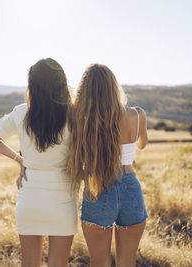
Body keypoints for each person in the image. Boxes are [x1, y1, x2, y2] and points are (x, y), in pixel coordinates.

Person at [0, 58, 77, 267]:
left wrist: (20, 159)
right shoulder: (73, 112)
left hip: (30, 193)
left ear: (32, 84)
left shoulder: (20, 111)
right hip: (62, 195)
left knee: (29, 264)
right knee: (58, 263)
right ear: (62, 82)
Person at [67, 64, 148, 267]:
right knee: (127, 262)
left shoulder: (80, 118)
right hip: (130, 187)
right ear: (114, 87)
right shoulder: (137, 115)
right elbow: (142, 144)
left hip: (96, 187)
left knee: (99, 261)